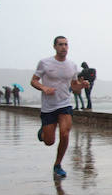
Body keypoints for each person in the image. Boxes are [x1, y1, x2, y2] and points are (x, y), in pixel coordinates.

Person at [32, 36, 89, 178]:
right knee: (49, 141)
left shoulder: (72, 65)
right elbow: (33, 81)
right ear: (55, 47)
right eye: (60, 44)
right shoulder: (45, 63)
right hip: (48, 106)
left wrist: (82, 85)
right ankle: (43, 132)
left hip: (64, 104)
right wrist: (44, 88)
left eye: (66, 44)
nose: (64, 47)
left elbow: (74, 87)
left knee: (64, 133)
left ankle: (58, 165)